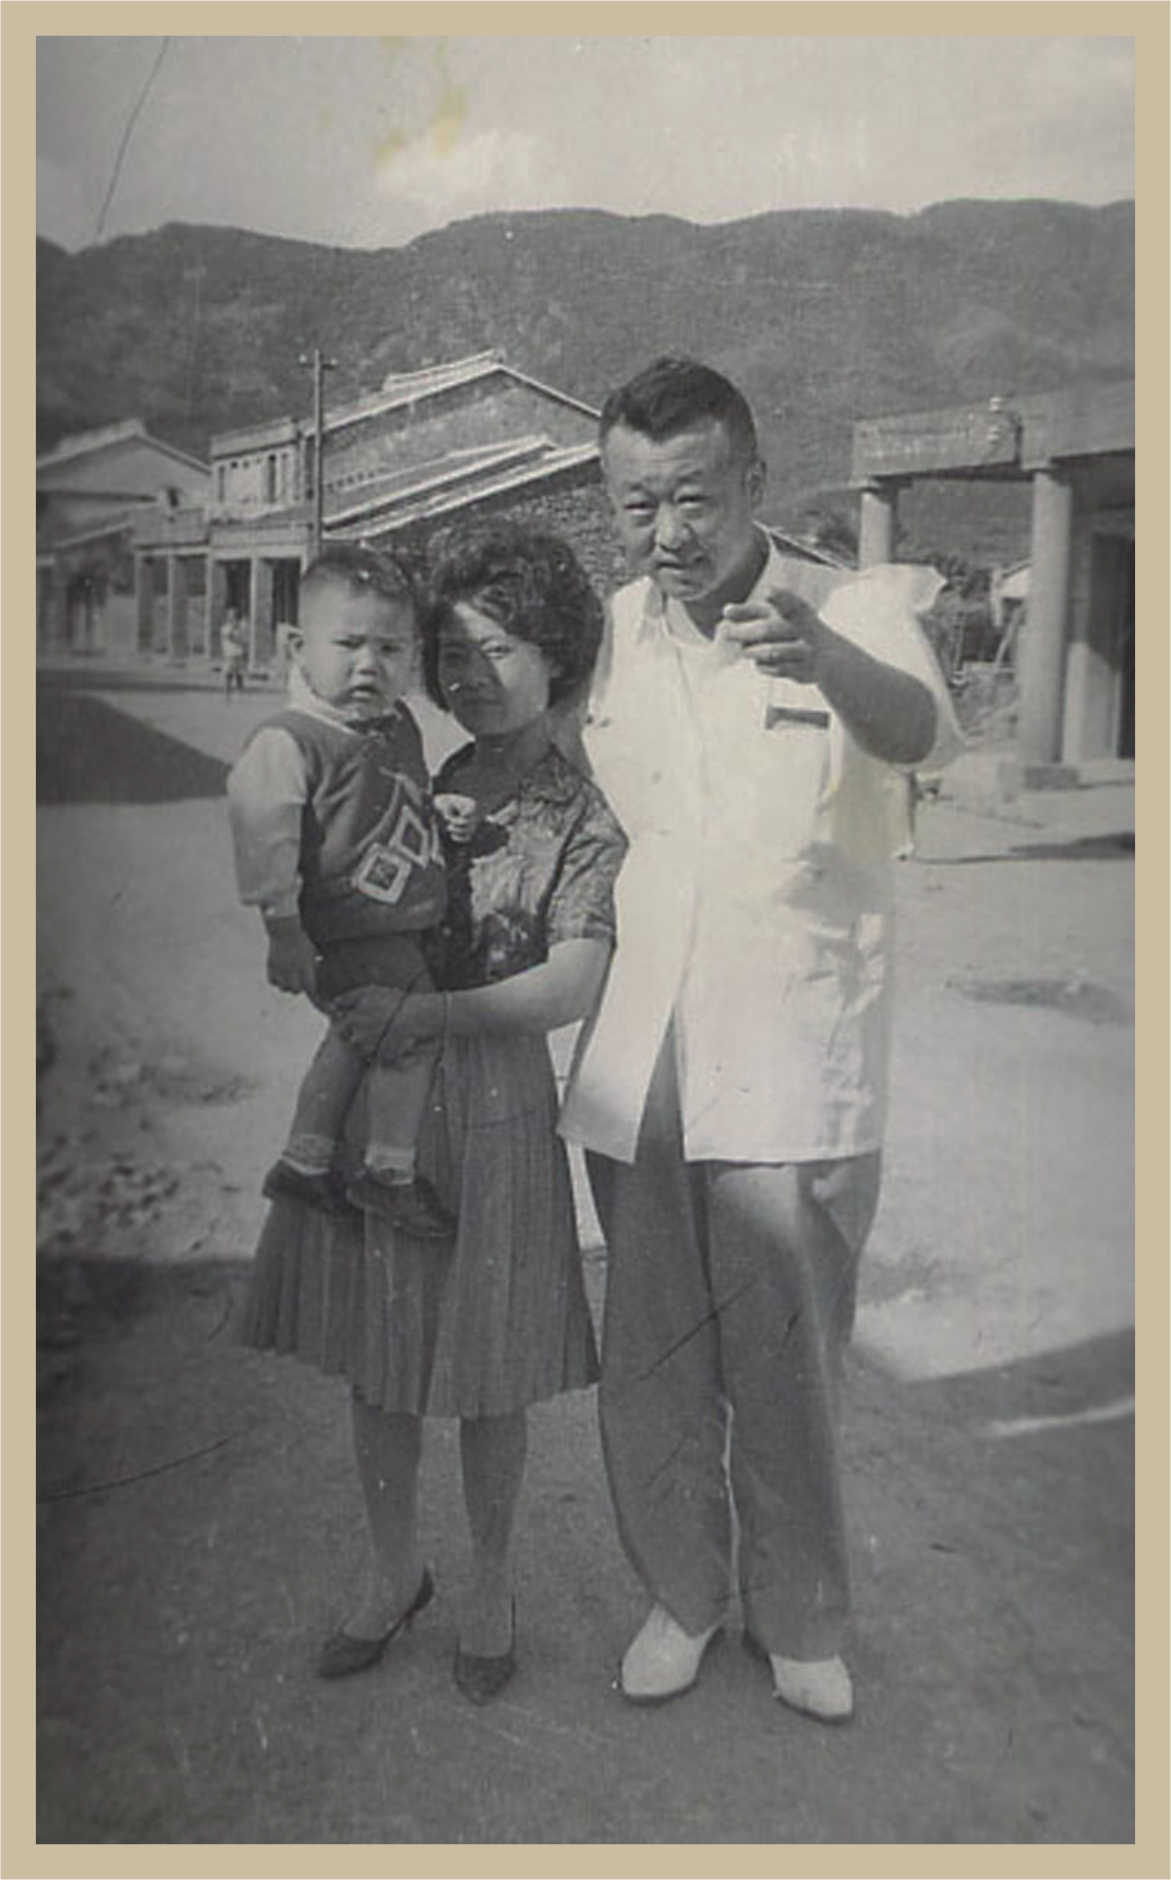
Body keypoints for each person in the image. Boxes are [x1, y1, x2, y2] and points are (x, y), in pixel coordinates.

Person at [559, 356, 963, 1722]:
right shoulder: (613, 630)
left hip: (795, 1044)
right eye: (635, 505)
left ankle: (798, 1618)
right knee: (652, 1351)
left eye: (692, 497)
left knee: (787, 1358)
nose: (666, 532)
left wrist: (823, 657)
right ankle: (681, 1594)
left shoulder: (852, 602)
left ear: (752, 480)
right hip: (643, 1043)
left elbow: (927, 737)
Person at [241, 523, 626, 1703]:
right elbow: (318, 886)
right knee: (381, 1358)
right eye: (450, 652)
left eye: (497, 650)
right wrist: (323, 967)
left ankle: (492, 1580)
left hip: (496, 1094)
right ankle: (391, 1567)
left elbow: (574, 982)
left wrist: (433, 1016)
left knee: (490, 1369)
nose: (469, 675)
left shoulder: (581, 813)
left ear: (556, 656)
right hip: (381, 1090)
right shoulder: (409, 764)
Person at [227, 545, 451, 1240]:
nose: (369, 666)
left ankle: (305, 1160)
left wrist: (441, 813)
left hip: (395, 925)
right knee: (407, 1037)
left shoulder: (395, 724)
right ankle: (389, 1173)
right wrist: (282, 928)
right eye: (349, 645)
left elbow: (395, 803)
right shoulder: (290, 741)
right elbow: (265, 834)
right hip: (352, 931)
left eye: (391, 649)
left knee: (355, 1042)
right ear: (299, 647)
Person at [221, 609, 247, 695]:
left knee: (239, 674)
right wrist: (233, 628)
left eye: (234, 618)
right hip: (229, 654)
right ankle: (227, 691)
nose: (232, 621)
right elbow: (229, 636)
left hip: (238, 653)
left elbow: (243, 640)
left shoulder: (240, 629)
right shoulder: (226, 629)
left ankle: (240, 692)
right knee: (228, 674)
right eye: (230, 618)